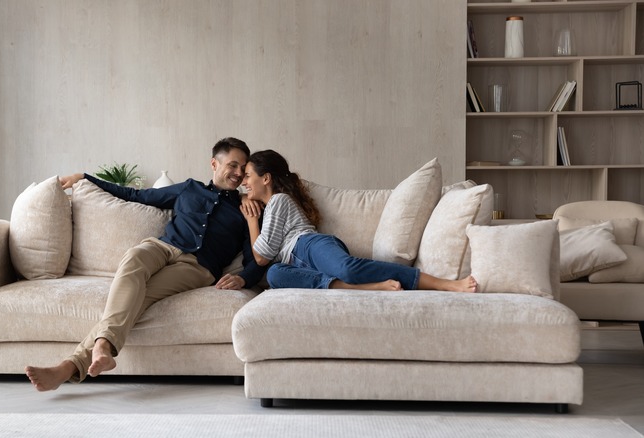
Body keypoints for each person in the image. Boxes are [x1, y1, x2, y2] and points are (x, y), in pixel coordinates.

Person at [25, 137, 267, 391]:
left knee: (140, 298)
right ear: (214, 164)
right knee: (133, 258)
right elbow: (135, 195)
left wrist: (244, 278)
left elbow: (256, 257)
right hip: (162, 248)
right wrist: (85, 178)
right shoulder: (188, 189)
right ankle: (100, 348)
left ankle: (71, 365)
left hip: (197, 268)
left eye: (243, 168)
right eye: (232, 165)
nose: (238, 173)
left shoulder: (246, 208)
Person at [239, 149, 477, 293]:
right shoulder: (269, 208)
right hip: (297, 263)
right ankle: (359, 288)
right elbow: (265, 259)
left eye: (248, 176)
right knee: (274, 275)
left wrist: (252, 220)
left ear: (266, 178)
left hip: (310, 246)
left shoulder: (279, 200)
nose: (244, 182)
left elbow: (261, 256)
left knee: (347, 269)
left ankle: (444, 284)